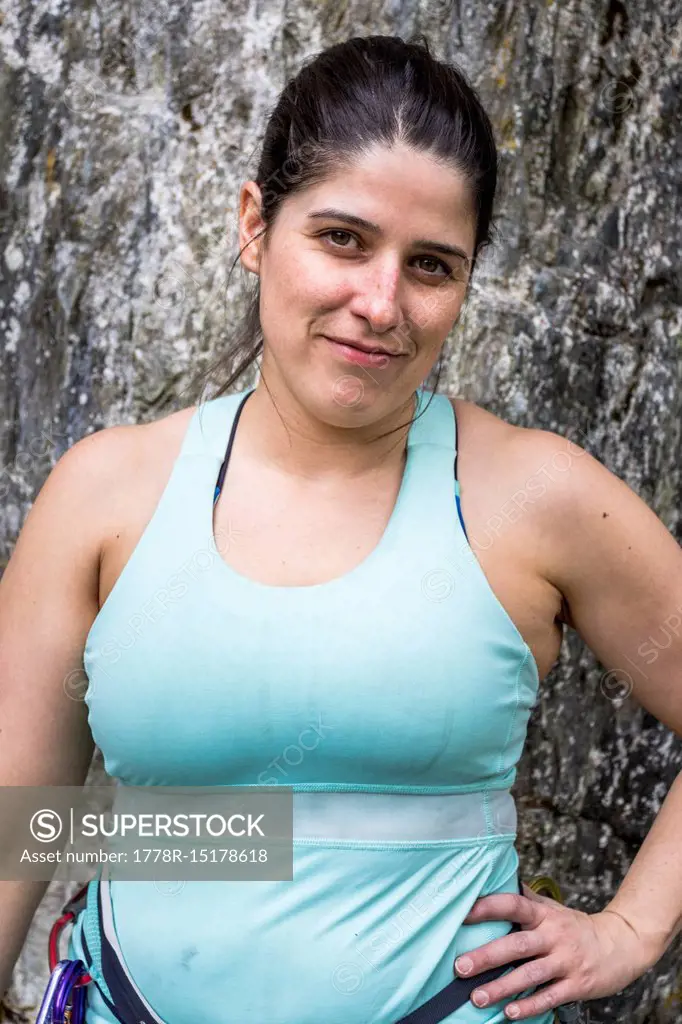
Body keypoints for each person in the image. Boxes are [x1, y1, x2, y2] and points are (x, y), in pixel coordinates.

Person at [1, 32, 681, 1024]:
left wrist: (631, 927)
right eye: (343, 239)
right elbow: (24, 814)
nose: (380, 303)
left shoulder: (533, 496)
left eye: (432, 265)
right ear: (253, 225)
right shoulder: (106, 495)